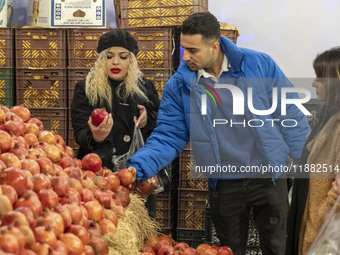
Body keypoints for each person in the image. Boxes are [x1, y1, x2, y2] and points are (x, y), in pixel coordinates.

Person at [126, 12, 310, 255]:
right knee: (229, 250)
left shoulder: (259, 65)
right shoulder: (179, 86)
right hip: (224, 183)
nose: (186, 57)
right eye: (183, 49)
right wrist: (137, 167)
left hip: (267, 177)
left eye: (193, 50)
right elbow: (168, 136)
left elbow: (290, 113)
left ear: (214, 46)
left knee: (277, 247)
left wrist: (306, 162)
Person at [70, 29, 160, 216]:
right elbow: (79, 133)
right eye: (109, 56)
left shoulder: (145, 88)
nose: (116, 62)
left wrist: (147, 121)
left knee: (140, 234)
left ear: (132, 61)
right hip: (99, 176)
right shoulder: (86, 89)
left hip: (137, 175)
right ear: (102, 60)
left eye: (123, 57)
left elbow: (159, 128)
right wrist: (95, 136)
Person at [286, 47, 340, 255]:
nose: (313, 83)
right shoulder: (329, 119)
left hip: (322, 232)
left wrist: (320, 217)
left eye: (320, 77)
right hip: (311, 222)